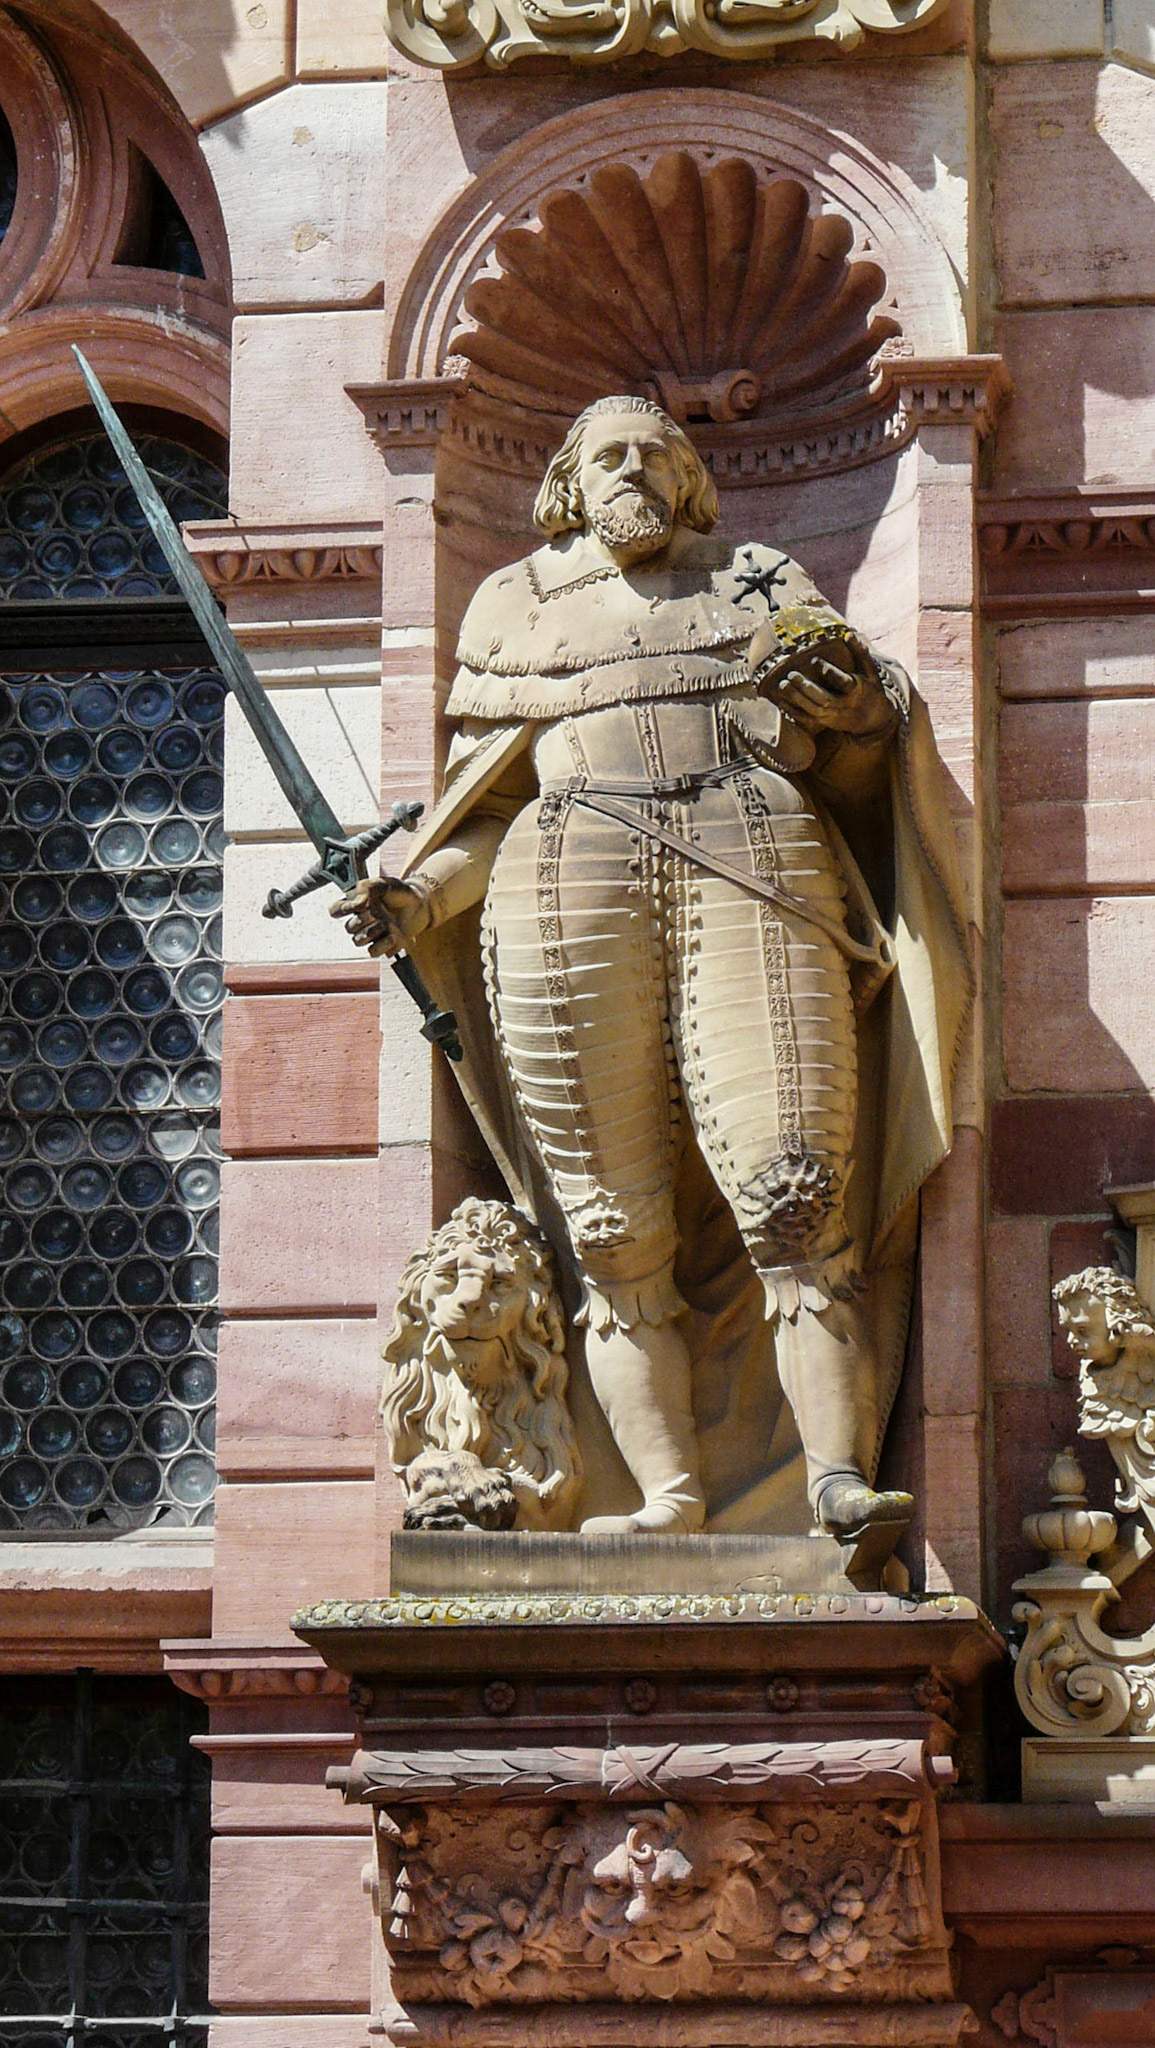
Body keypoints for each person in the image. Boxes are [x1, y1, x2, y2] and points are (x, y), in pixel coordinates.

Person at [335, 395, 972, 1544]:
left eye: (654, 452)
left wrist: (868, 711)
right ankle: (670, 1498)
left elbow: (859, 751)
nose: (634, 468)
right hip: (561, 876)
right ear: (570, 480)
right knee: (611, 1230)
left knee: (796, 1190)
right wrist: (414, 893)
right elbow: (484, 806)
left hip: (753, 854)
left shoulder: (760, 581)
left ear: (688, 479)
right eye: (608, 453)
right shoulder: (510, 605)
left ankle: (834, 1478)